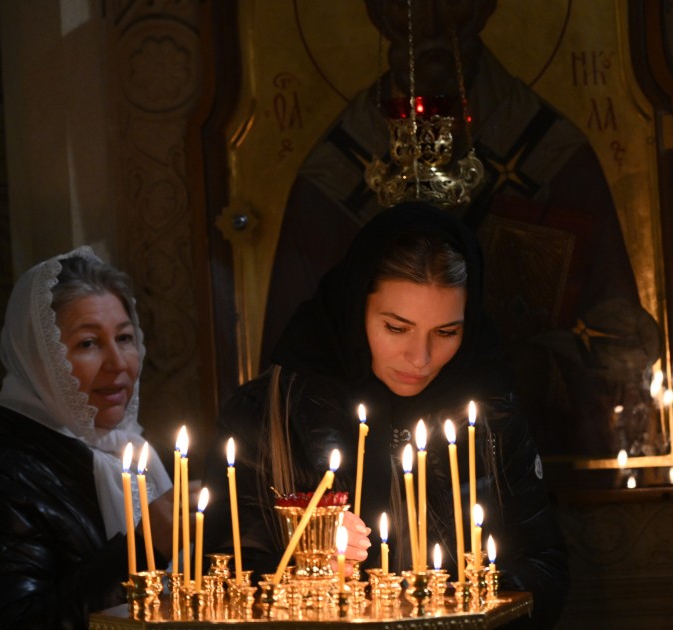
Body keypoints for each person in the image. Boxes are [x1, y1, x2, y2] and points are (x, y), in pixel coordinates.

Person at [261, 0, 661, 461]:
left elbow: (624, 346)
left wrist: (537, 365)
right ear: (376, 10)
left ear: (483, 6)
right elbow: (287, 387)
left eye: (449, 1)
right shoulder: (332, 173)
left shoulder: (554, 153)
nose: (428, 20)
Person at [205, 203, 569, 628]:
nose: (421, 358)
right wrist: (309, 568)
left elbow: (546, 567)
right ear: (356, 308)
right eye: (396, 328)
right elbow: (225, 581)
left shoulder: (491, 411)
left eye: (447, 332)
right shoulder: (266, 414)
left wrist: (466, 602)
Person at [0, 247, 175, 629]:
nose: (118, 363)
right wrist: (140, 549)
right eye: (88, 343)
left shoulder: (131, 456)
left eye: (124, 338)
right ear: (38, 360)